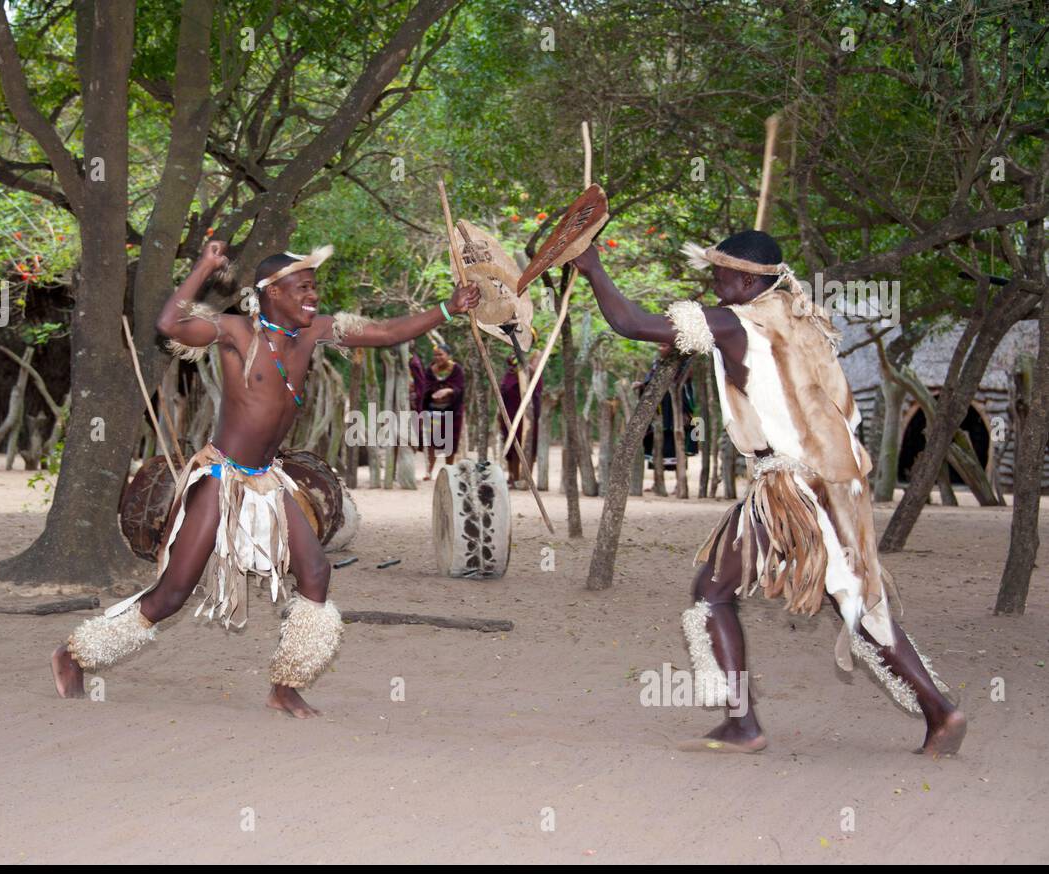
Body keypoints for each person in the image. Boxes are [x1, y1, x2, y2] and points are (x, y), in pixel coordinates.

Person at [572, 229, 965, 755]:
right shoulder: (799, 316)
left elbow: (629, 323)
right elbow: (755, 364)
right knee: (850, 600)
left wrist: (593, 267)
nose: (713, 284)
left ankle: (745, 724)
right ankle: (937, 711)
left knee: (716, 594)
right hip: (831, 482)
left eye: (720, 276)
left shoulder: (736, 323)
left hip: (792, 487)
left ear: (746, 279)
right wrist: (700, 343)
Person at [51, 240, 480, 718]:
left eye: (314, 287)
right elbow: (170, 325)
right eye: (302, 288)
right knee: (173, 592)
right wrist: (205, 268)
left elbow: (384, 331)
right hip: (220, 479)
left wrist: (448, 308)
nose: (312, 296)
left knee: (316, 573)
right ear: (270, 292)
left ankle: (286, 685)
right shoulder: (237, 331)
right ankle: (74, 655)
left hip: (268, 481)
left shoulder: (316, 331)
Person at [420, 344, 465, 479]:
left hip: (451, 411)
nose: (438, 357)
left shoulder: (456, 370)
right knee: (432, 442)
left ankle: (449, 470)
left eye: (441, 354)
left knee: (450, 442)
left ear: (448, 355)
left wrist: (448, 390)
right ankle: (429, 471)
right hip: (433, 411)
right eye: (436, 355)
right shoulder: (430, 370)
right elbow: (425, 388)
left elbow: (460, 388)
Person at [499, 352, 540, 486]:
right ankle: (513, 476)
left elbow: (535, 388)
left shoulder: (532, 371)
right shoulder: (510, 373)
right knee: (511, 445)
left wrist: (527, 366)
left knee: (527, 445)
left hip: (527, 416)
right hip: (510, 414)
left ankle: (525, 478)